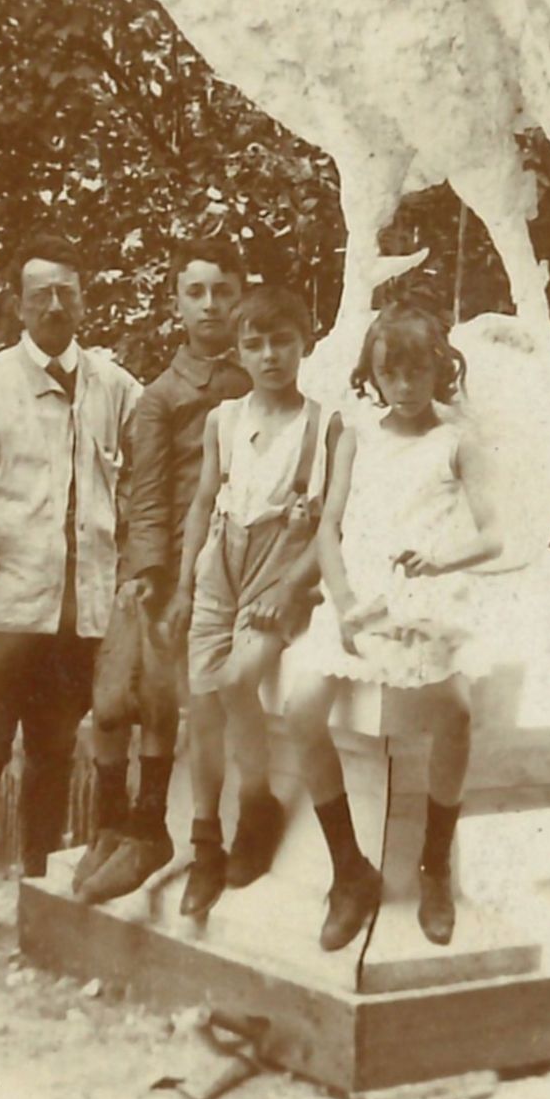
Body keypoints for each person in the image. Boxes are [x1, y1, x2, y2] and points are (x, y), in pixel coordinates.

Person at [0, 233, 140, 957]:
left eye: (65, 292)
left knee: (53, 752)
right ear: (17, 303)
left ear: (83, 301)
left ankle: (39, 892)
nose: (53, 305)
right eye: (39, 292)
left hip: (78, 616)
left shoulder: (116, 389)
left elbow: (148, 484)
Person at [284, 299, 504, 952]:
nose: (404, 387)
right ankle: (349, 869)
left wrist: (440, 560)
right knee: (301, 707)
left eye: (417, 372)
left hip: (424, 594)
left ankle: (435, 865)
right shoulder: (357, 436)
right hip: (358, 596)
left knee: (455, 710)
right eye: (390, 373)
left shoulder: (458, 441)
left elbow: (493, 535)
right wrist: (344, 601)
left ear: (440, 369)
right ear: (372, 374)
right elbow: (328, 528)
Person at [72, 236, 251, 905]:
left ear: (241, 297)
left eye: (223, 292)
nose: (210, 305)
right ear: (176, 303)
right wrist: (151, 573)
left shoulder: (256, 381)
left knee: (158, 693)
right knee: (117, 697)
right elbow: (147, 496)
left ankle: (148, 827)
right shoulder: (163, 395)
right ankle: (115, 824)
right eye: (195, 292)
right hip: (168, 565)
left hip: (235, 561)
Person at [164, 285, 331, 916]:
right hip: (220, 564)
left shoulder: (324, 425)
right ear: (237, 351)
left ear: (304, 344)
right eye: (254, 344)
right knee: (203, 701)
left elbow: (334, 525)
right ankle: (206, 842)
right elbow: (203, 503)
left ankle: (256, 806)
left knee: (237, 680)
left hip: (279, 567)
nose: (269, 356)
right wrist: (187, 584)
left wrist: (290, 587)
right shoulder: (224, 419)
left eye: (281, 341)